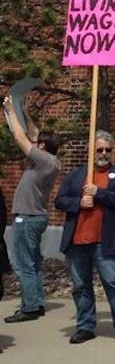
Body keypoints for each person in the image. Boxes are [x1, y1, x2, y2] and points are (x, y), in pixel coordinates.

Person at [54, 130, 115, 344]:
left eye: (108, 150)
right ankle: (85, 326)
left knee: (114, 283)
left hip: (104, 242)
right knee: (81, 287)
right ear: (92, 151)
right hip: (77, 242)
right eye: (99, 149)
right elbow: (59, 200)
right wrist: (79, 202)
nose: (104, 153)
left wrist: (98, 193)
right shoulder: (75, 176)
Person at [3, 95, 61, 324]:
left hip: (26, 219)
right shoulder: (51, 160)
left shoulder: (44, 161)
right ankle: (36, 302)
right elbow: (34, 133)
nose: (33, 143)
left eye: (37, 143)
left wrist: (10, 111)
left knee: (23, 263)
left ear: (43, 147)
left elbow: (19, 136)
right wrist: (26, 113)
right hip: (35, 218)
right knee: (34, 262)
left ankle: (29, 307)